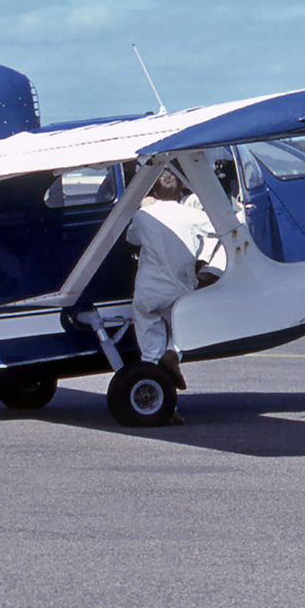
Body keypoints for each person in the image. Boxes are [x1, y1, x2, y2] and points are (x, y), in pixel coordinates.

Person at [125, 168, 214, 420]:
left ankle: (165, 406)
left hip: (148, 290)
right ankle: (173, 353)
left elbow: (132, 239)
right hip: (179, 289)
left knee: (149, 353)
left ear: (153, 191)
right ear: (181, 191)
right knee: (183, 329)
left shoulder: (144, 216)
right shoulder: (192, 215)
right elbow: (223, 228)